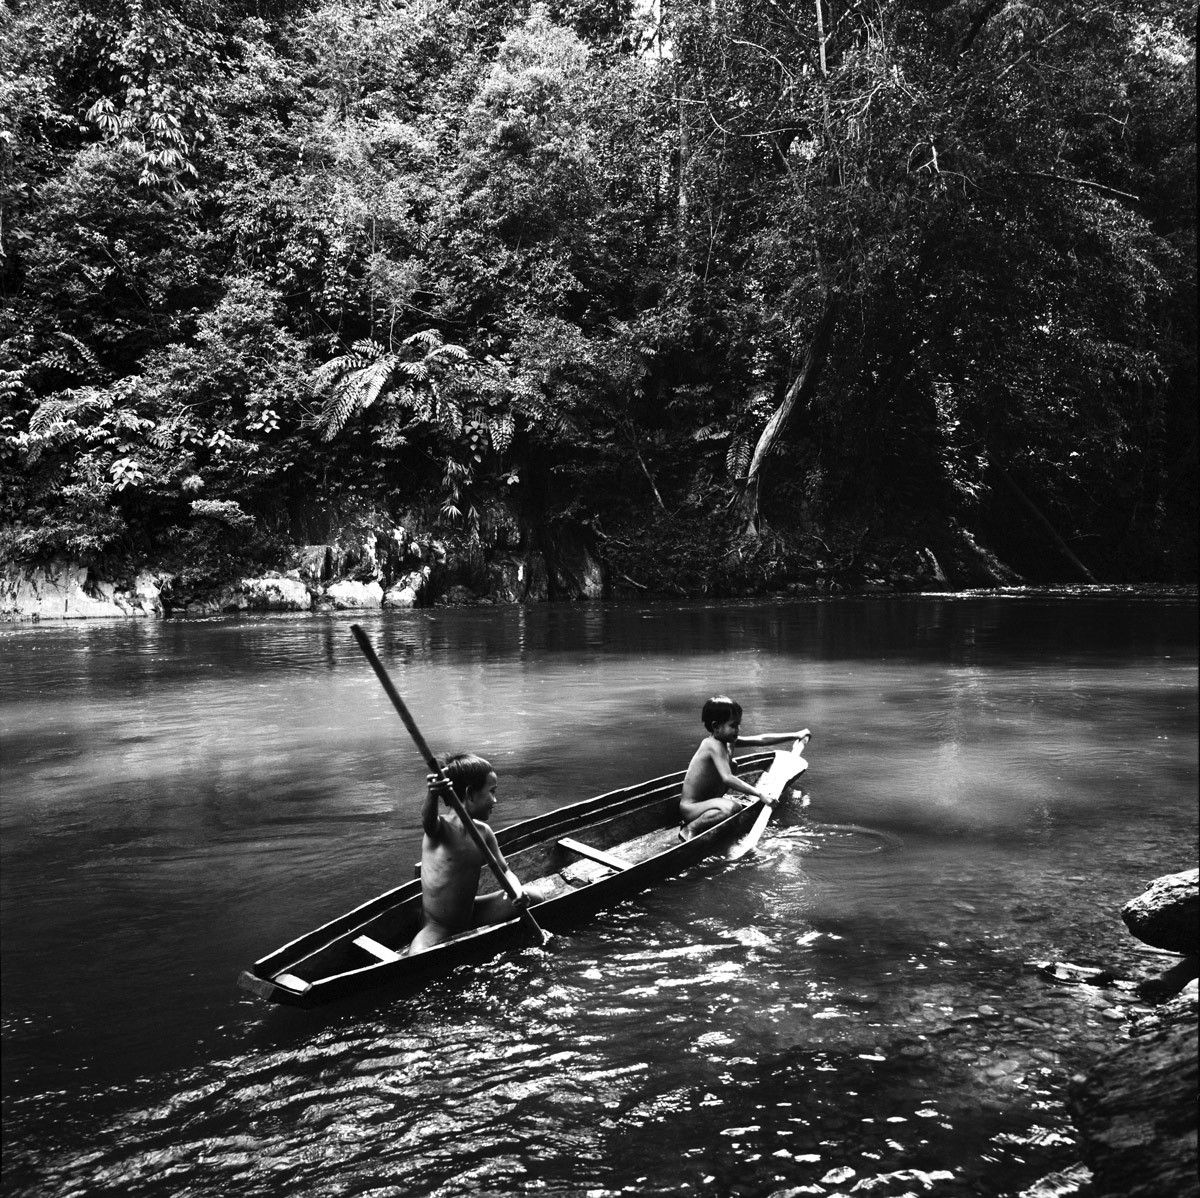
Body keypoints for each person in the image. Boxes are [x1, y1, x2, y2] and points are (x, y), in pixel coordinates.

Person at [407, 751, 531, 955]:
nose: (495, 800)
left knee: (536, 896)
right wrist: (433, 793)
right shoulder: (440, 830)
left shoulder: (484, 833)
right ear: (470, 793)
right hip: (439, 925)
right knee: (417, 955)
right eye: (491, 791)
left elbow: (505, 870)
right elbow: (426, 820)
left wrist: (517, 891)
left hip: (471, 914)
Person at [679, 695, 810, 839]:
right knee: (732, 808)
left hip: (707, 803)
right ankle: (690, 828)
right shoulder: (712, 744)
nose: (737, 729)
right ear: (716, 726)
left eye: (738, 725)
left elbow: (761, 740)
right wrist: (760, 795)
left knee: (733, 764)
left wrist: (796, 735)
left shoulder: (727, 741)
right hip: (692, 808)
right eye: (733, 726)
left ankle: (718, 804)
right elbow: (727, 778)